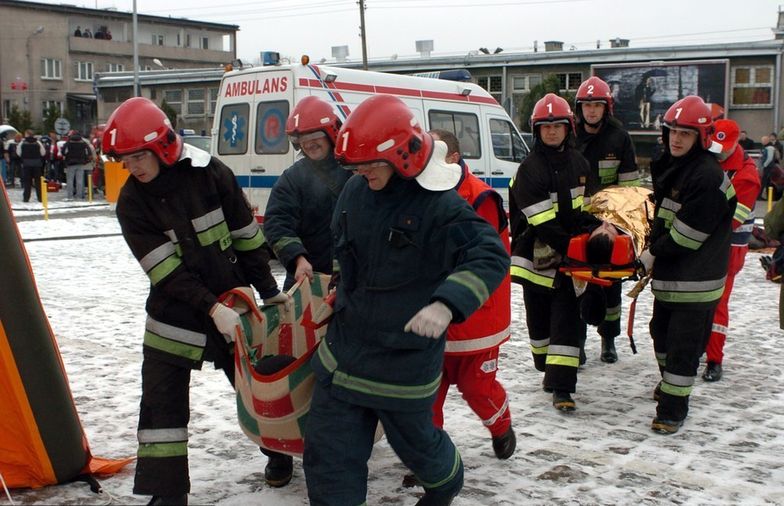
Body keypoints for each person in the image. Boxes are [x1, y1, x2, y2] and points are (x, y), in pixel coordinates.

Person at [302, 94, 508, 506]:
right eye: (355, 167)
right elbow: (347, 252)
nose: (361, 173)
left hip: (403, 367)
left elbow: (488, 253)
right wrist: (339, 287)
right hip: (343, 356)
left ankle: (446, 482)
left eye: (370, 165)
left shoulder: (439, 203)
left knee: (419, 448)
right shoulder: (354, 193)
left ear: (403, 156)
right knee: (328, 457)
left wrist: (446, 303)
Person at [105, 97, 291, 506]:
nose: (133, 167)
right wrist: (212, 308)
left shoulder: (211, 174)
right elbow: (166, 272)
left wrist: (267, 289)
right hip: (175, 315)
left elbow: (247, 238)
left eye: (139, 156)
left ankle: (278, 452)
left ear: (163, 146)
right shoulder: (132, 204)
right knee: (160, 405)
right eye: (126, 160)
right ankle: (167, 493)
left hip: (233, 301)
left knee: (254, 388)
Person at [641, 95, 737, 435]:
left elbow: (686, 237)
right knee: (660, 335)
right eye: (672, 132)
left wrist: (650, 254)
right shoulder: (675, 168)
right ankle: (670, 384)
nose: (677, 139)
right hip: (673, 277)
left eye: (686, 133)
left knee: (681, 349)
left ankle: (672, 410)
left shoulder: (706, 177)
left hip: (697, 281)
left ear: (702, 137)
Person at [509, 93, 601, 411]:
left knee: (567, 320)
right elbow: (542, 223)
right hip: (536, 257)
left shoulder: (580, 163)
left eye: (557, 125)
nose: (551, 131)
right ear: (536, 131)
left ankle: (562, 388)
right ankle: (545, 366)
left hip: (568, 258)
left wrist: (596, 230)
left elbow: (587, 207)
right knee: (540, 325)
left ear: (568, 128)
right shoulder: (529, 169)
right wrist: (574, 245)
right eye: (545, 126)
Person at [427, 129, 515, 460]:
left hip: (477, 318)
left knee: (478, 389)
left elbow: (483, 261)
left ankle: (501, 426)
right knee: (425, 396)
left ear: (453, 158)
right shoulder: (420, 191)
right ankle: (428, 457)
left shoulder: (481, 197)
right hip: (432, 318)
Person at [574, 76, 640, 364]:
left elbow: (628, 188)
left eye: (597, 105)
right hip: (577, 221)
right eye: (586, 105)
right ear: (579, 108)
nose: (591, 111)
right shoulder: (570, 134)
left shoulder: (619, 138)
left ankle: (608, 339)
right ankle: (577, 341)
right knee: (576, 282)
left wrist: (615, 222)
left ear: (606, 108)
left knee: (611, 284)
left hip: (610, 222)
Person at [264, 96, 351, 291]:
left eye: (314, 136)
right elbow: (276, 223)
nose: (308, 144)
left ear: (331, 133)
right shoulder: (292, 178)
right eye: (302, 139)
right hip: (307, 281)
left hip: (350, 282)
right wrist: (297, 259)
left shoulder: (356, 171)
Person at [701, 120, 760, 382]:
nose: (718, 152)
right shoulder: (710, 159)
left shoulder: (746, 176)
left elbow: (732, 220)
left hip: (729, 248)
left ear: (737, 143)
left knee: (717, 305)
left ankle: (714, 359)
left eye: (723, 148)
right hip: (704, 241)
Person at [62, 131, 94, 200]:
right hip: (80, 163)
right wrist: (85, 160)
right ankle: (79, 196)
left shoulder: (69, 142)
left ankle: (70, 196)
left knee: (70, 180)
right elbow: (89, 152)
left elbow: (63, 151)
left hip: (70, 163)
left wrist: (66, 156)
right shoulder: (83, 143)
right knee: (79, 180)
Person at [16, 129, 45, 203]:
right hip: (37, 164)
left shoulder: (22, 142)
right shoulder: (38, 142)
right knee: (38, 182)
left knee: (27, 182)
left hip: (26, 164)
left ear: (27, 134)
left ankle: (26, 198)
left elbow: (18, 153)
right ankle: (40, 198)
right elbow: (43, 153)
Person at [758, 135, 778, 200]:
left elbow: (769, 158)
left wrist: (764, 166)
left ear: (766, 140)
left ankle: (761, 196)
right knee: (766, 182)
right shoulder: (767, 147)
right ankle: (768, 197)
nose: (762, 142)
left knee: (764, 182)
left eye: (763, 140)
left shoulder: (769, 148)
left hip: (768, 168)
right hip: (768, 167)